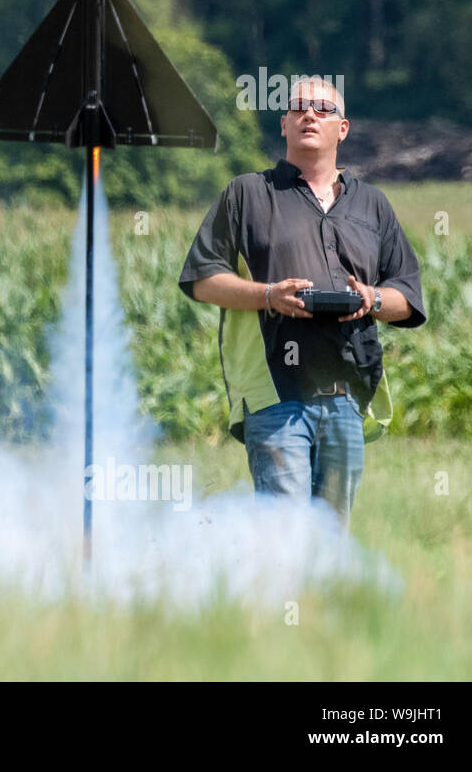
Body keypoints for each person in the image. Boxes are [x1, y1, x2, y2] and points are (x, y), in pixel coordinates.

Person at [178, 76, 426, 527]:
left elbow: (407, 297)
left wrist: (370, 300)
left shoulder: (373, 205)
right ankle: (276, 598)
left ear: (343, 128)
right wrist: (268, 296)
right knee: (286, 533)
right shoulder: (246, 194)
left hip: (347, 395)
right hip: (274, 391)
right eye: (298, 108)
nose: (310, 114)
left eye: (323, 109)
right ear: (284, 124)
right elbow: (202, 279)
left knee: (331, 536)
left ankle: (318, 601)